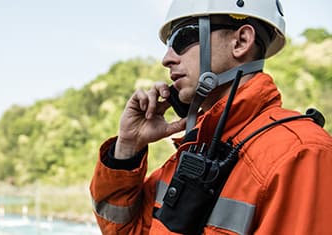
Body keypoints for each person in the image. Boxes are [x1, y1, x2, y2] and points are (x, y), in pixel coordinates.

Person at [90, 0, 332, 234]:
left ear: (241, 41)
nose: (167, 59)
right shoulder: (194, 152)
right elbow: (125, 230)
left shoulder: (301, 154)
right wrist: (128, 148)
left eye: (182, 38)